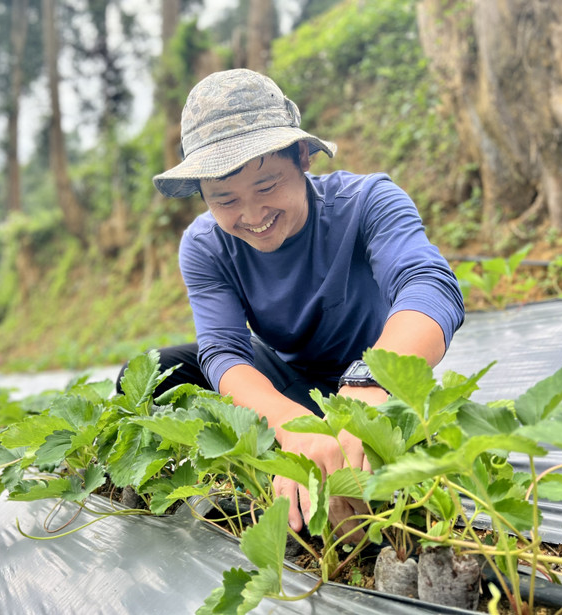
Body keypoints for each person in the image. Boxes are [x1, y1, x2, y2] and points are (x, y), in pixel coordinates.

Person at [118, 68, 465, 538]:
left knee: (382, 508)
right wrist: (289, 423)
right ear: (203, 195)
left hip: (379, 388)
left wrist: (370, 386)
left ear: (301, 156)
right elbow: (222, 349)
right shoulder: (206, 246)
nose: (254, 215)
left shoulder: (368, 202)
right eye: (226, 200)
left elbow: (429, 285)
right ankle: (264, 478)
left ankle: (315, 472)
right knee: (160, 372)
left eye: (267, 186)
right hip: (289, 386)